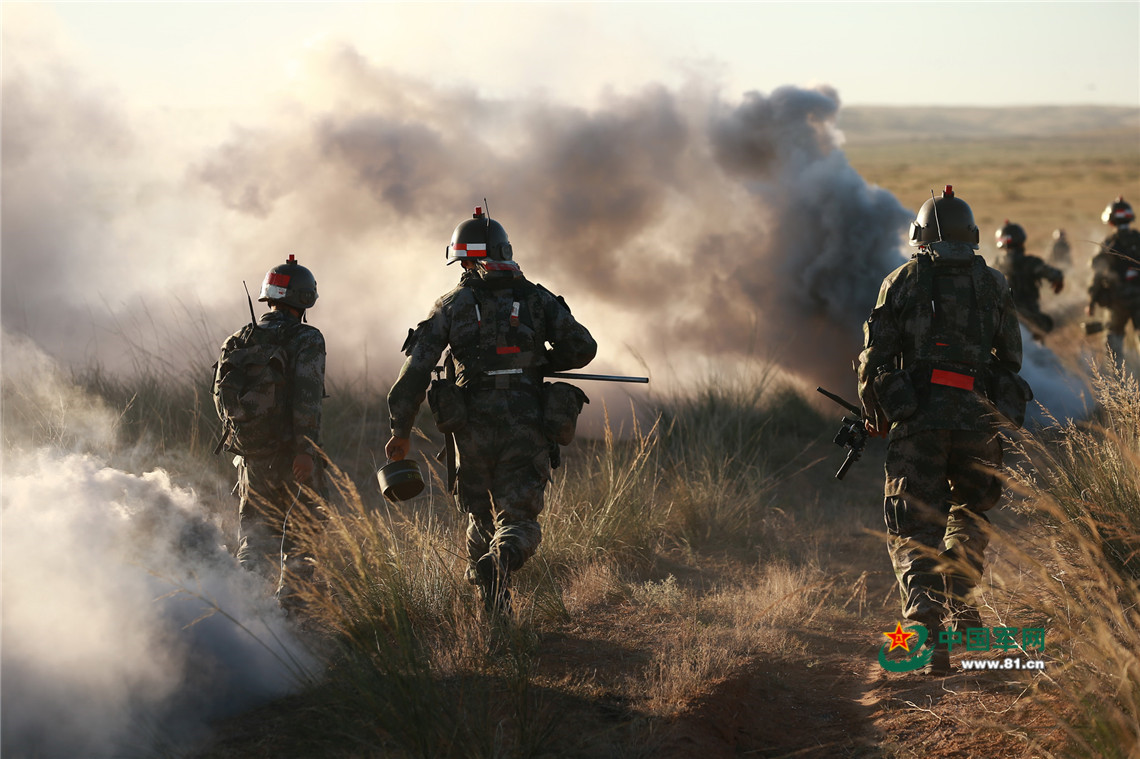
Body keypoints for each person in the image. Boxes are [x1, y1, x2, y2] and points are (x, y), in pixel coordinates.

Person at [385, 206, 597, 616]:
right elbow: (582, 348)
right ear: (504, 251)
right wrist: (538, 361)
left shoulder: (452, 303)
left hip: (471, 427)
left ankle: (494, 610)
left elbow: (416, 370)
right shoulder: (537, 298)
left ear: (465, 261)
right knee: (519, 520)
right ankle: (501, 561)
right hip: (526, 422)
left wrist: (401, 429)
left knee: (480, 515)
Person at [857, 186, 1024, 675]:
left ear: (921, 235)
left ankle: (926, 625)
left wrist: (878, 413)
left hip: (920, 424)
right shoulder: (993, 283)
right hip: (977, 420)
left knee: (913, 526)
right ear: (970, 235)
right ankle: (957, 594)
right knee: (970, 512)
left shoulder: (902, 280)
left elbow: (875, 360)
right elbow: (1010, 358)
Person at [213, 254, 327, 608]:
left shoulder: (237, 339)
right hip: (292, 456)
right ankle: (290, 614)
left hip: (252, 457)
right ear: (304, 299)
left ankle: (238, 609)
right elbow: (307, 398)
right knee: (302, 536)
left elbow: (221, 401)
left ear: (269, 296)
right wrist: (305, 451)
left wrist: (247, 441)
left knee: (255, 538)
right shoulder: (307, 338)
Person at [1087, 196, 1140, 367]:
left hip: (1117, 302)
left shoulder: (1108, 244)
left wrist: (1091, 302)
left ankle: (1119, 381)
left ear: (1111, 222)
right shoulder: (1138, 238)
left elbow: (1097, 274)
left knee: (1114, 345)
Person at [994, 220, 1064, 340]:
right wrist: (1058, 281)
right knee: (1046, 326)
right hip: (1030, 318)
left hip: (1002, 320)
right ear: (1021, 242)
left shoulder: (995, 266)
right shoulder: (1031, 263)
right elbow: (1055, 275)